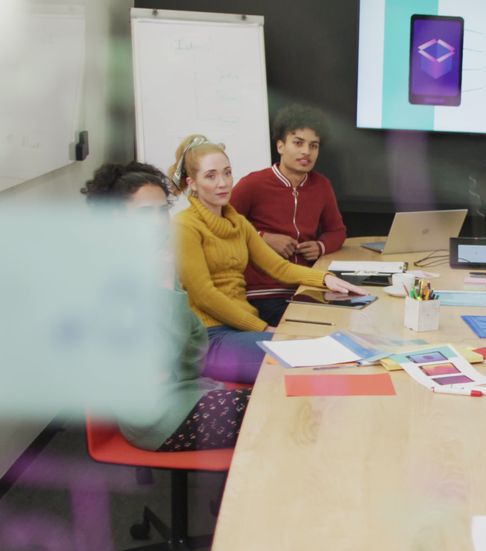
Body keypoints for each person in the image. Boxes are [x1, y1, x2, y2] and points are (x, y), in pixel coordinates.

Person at [81, 162, 251, 451]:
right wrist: (163, 290)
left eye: (163, 211)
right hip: (158, 419)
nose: (159, 223)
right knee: (283, 415)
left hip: (187, 394)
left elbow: (194, 344)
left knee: (289, 401)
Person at [169, 134, 365, 384]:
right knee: (309, 358)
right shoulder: (185, 225)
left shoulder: (237, 222)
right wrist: (261, 328)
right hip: (209, 338)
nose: (223, 183)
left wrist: (326, 278)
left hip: (241, 328)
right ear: (192, 183)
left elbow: (279, 267)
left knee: (330, 346)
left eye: (227, 173)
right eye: (211, 176)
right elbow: (204, 295)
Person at [231, 105, 347, 326]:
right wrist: (263, 238)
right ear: (280, 146)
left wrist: (320, 246)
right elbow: (223, 226)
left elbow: (337, 231)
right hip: (264, 293)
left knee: (347, 321)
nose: (306, 152)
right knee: (309, 332)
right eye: (298, 143)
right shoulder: (253, 184)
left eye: (314, 146)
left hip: (307, 286)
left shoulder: (321, 185)